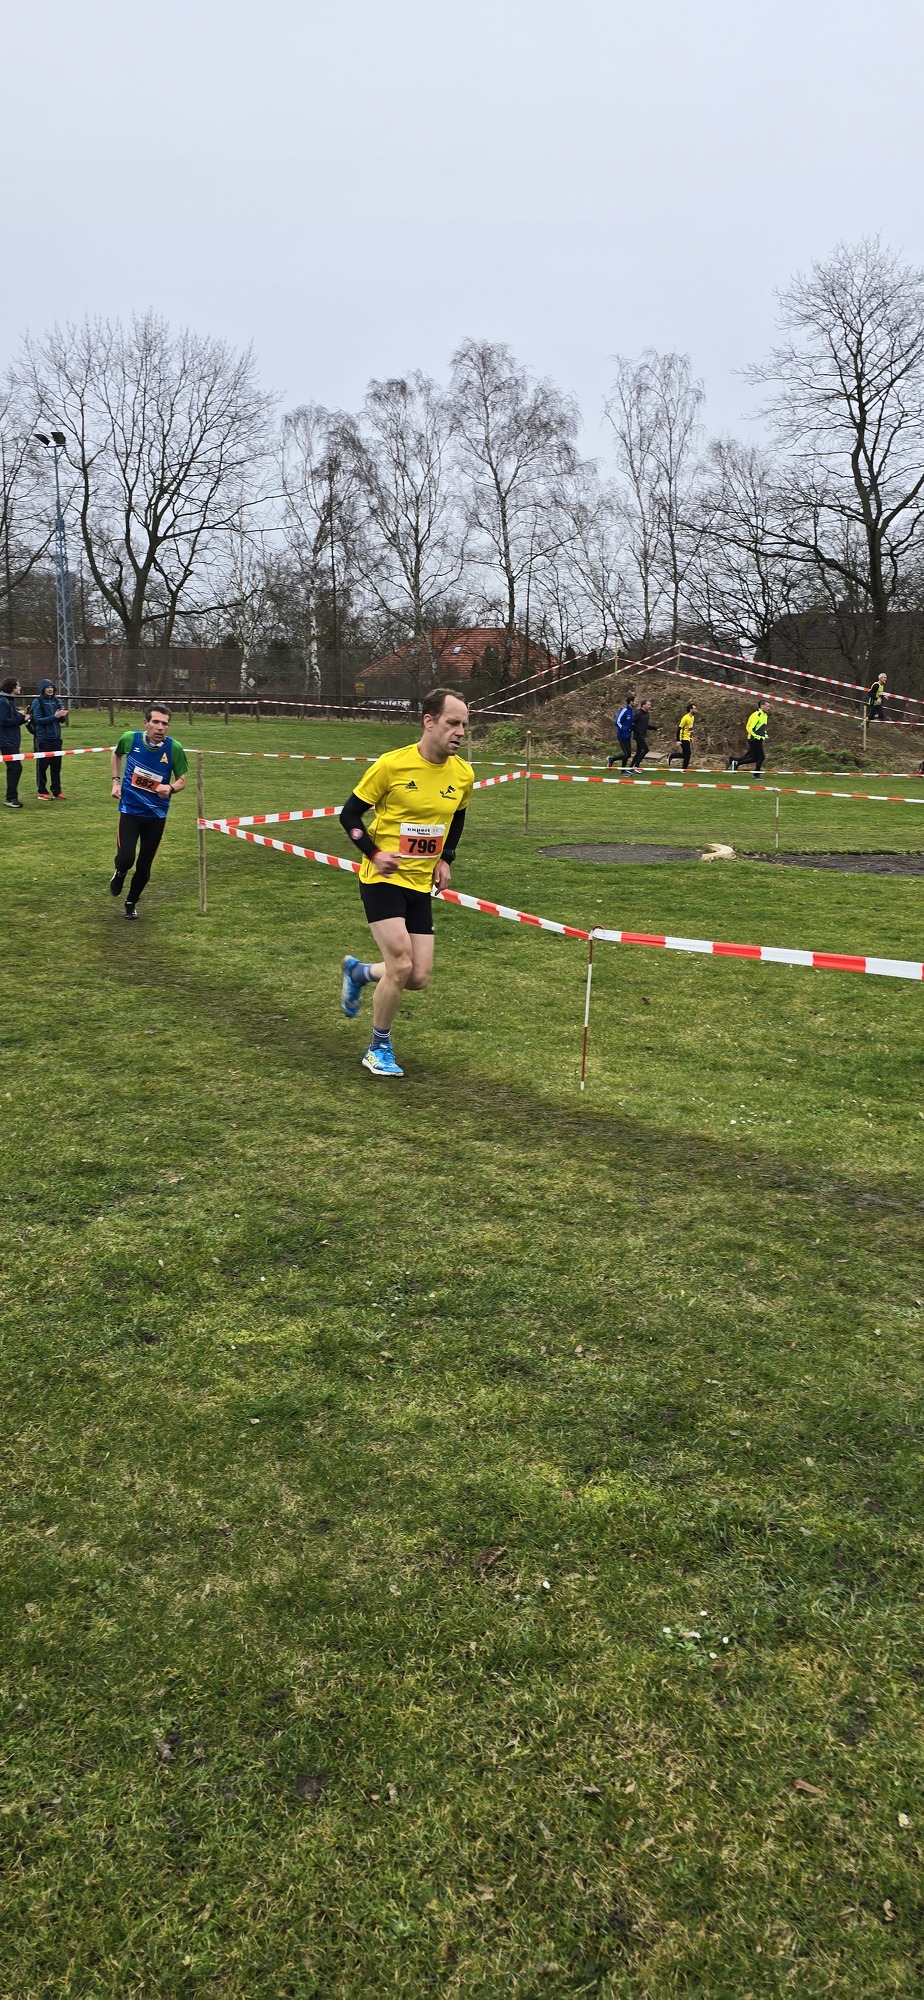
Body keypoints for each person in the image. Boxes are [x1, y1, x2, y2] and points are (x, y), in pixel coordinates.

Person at [337, 687, 474, 1077]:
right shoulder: (391, 765)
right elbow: (349, 815)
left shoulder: (463, 773)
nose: (460, 732)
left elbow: (458, 815)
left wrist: (446, 857)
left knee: (417, 976)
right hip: (382, 879)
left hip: (420, 883)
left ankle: (360, 973)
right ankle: (378, 1048)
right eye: (452, 723)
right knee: (399, 963)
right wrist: (374, 853)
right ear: (429, 722)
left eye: (464, 725)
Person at [109, 703, 188, 918]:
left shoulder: (174, 748)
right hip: (130, 811)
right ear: (146, 723)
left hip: (156, 815)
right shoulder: (130, 739)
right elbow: (116, 755)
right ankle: (120, 871)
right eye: (156, 722)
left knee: (144, 866)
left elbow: (182, 780)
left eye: (165, 724)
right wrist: (115, 781)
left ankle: (131, 902)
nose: (160, 727)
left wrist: (170, 788)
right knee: (126, 858)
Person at [30, 677, 69, 799]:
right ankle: (42, 791)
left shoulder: (57, 701)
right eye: (47, 687)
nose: (50, 689)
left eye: (52, 687)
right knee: (42, 766)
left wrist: (62, 716)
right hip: (43, 738)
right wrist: (54, 716)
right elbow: (38, 720)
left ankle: (57, 791)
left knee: (56, 766)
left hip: (56, 738)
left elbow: (61, 720)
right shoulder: (37, 702)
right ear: (43, 689)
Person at [0, 677, 27, 808]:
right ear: (12, 687)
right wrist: (19, 716)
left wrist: (23, 718)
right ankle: (11, 798)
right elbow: (4, 721)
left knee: (14, 768)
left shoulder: (10, 701)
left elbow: (14, 721)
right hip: (6, 740)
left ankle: (11, 797)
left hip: (12, 739)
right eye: (18, 685)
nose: (20, 687)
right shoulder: (3, 701)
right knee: (15, 767)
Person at [727, 704, 769, 776]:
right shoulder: (757, 715)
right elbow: (749, 727)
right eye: (767, 706)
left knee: (754, 757)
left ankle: (736, 762)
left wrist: (764, 734)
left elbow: (761, 728)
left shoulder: (765, 716)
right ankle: (756, 775)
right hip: (754, 739)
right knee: (761, 757)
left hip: (758, 739)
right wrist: (756, 736)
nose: (769, 708)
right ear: (762, 706)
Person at [607, 694, 635, 768]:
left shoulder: (632, 711)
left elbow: (630, 722)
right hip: (622, 735)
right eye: (635, 701)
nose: (636, 703)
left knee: (628, 754)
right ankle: (623, 770)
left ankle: (612, 759)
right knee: (626, 754)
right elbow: (617, 722)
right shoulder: (624, 710)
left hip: (628, 735)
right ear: (631, 702)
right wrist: (626, 729)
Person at [667, 705, 696, 769]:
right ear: (690, 710)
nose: (695, 710)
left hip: (687, 738)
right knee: (688, 754)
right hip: (683, 738)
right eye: (694, 708)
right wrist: (678, 740)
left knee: (686, 754)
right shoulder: (685, 718)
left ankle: (672, 756)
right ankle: (684, 769)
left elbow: (690, 728)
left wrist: (691, 736)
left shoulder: (692, 717)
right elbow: (679, 729)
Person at [630, 698, 654, 769]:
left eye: (650, 705)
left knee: (639, 752)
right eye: (648, 705)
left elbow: (644, 725)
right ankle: (636, 765)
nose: (650, 706)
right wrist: (634, 730)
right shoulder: (638, 713)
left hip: (643, 735)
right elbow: (632, 722)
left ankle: (631, 766)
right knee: (646, 749)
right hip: (638, 735)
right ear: (643, 705)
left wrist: (652, 727)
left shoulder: (647, 714)